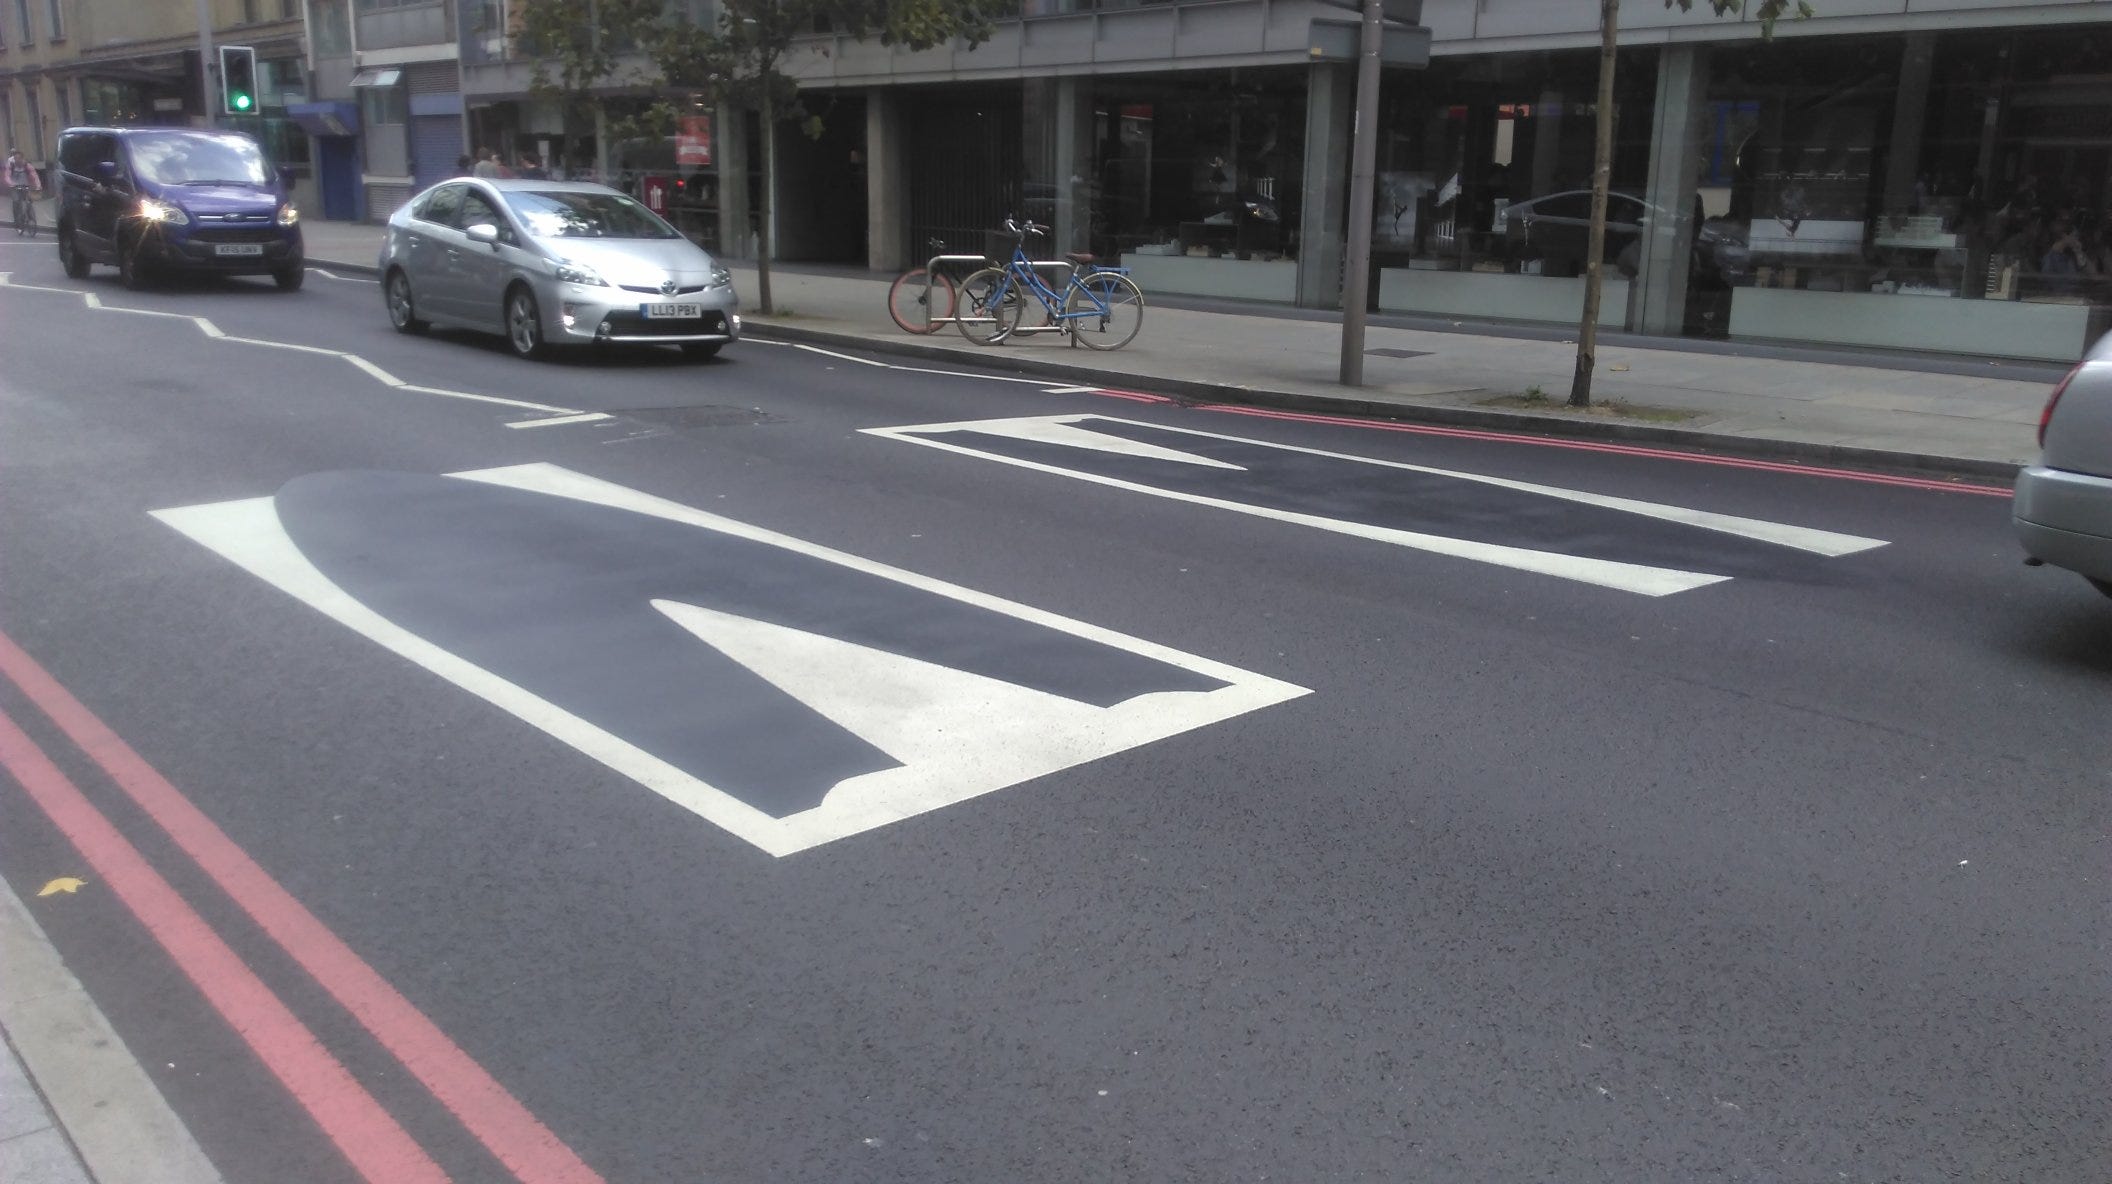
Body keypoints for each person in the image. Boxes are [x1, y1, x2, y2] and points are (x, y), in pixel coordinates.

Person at [5, 148, 40, 233]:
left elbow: (34, 175)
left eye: (19, 158)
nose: (17, 160)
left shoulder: (26, 165)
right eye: (15, 158)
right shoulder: (11, 165)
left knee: (29, 201)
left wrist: (38, 185)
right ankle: (17, 223)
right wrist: (11, 183)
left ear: (22, 158)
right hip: (15, 187)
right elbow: (7, 176)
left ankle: (30, 217)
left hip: (25, 186)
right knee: (16, 202)